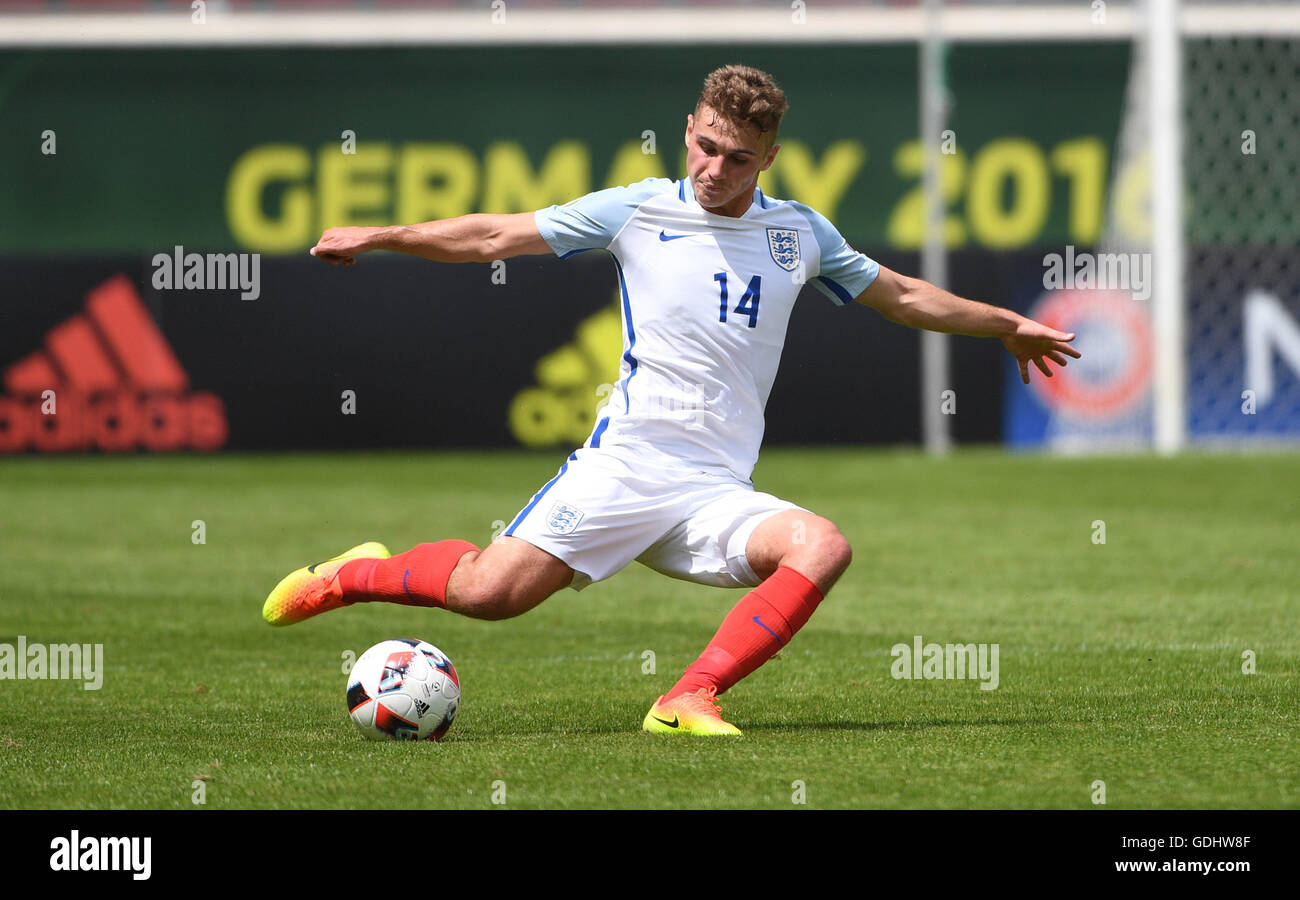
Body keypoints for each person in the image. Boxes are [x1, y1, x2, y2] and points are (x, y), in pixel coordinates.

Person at [262, 64, 1080, 736]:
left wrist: (1005, 324)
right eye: (708, 147)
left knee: (823, 545)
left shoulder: (799, 234)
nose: (717, 170)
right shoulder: (637, 210)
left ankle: (687, 698)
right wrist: (382, 236)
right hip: (627, 465)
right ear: (689, 129)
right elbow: (491, 237)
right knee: (487, 595)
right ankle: (356, 574)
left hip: (716, 488)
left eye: (739, 159)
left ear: (770, 159)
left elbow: (900, 294)